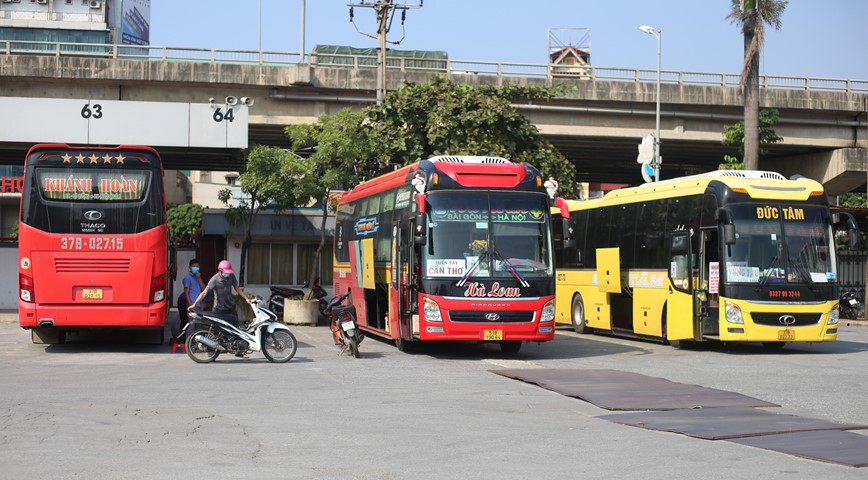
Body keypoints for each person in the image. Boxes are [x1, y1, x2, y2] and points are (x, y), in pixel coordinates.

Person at [188, 259, 252, 357]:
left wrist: (246, 298)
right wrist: (194, 304)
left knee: (236, 329)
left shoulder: (231, 276)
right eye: (226, 272)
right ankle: (211, 352)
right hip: (219, 310)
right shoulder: (214, 280)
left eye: (228, 272)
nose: (228, 274)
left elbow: (236, 287)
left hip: (231, 308)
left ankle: (239, 351)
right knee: (216, 331)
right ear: (220, 271)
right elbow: (204, 292)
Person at [176, 258, 209, 341]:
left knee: (197, 324)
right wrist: (190, 305)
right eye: (193, 266)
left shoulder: (198, 278)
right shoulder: (187, 278)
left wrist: (199, 278)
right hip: (192, 304)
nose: (195, 268)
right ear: (190, 267)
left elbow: (204, 289)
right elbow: (186, 293)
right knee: (190, 324)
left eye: (197, 266)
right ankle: (188, 341)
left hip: (198, 304)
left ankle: (194, 341)